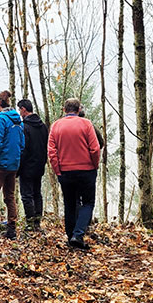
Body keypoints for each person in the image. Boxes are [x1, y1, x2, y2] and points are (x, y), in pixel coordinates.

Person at [47, 98, 101, 250]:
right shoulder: (86, 124)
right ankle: (77, 235)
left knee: (70, 204)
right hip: (86, 170)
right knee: (88, 203)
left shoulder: (56, 126)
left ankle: (71, 238)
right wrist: (94, 165)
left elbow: (52, 152)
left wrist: (58, 170)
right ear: (78, 110)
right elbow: (95, 148)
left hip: (65, 171)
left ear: (64, 110)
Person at [0, 90, 25, 243]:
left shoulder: (1, 119)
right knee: (9, 196)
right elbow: (22, 144)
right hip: (13, 164)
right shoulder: (17, 120)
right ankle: (11, 230)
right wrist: (16, 159)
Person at [17, 99, 48, 232]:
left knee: (27, 195)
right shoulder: (43, 126)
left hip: (27, 167)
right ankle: (37, 222)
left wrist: (18, 168)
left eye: (20, 110)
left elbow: (23, 149)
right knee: (37, 194)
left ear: (24, 109)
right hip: (39, 165)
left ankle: (30, 223)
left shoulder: (24, 127)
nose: (19, 113)